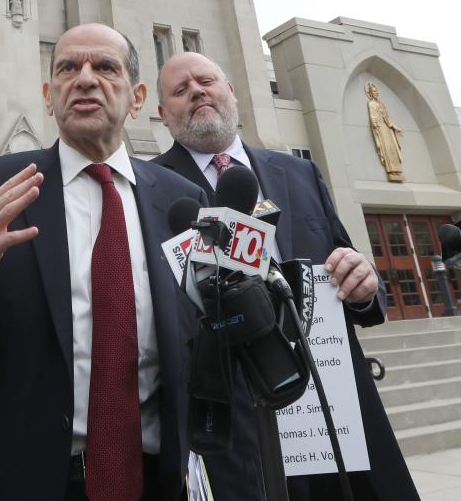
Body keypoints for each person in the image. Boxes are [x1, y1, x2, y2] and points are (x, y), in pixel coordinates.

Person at [0, 23, 212, 501]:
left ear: (138, 97)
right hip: (20, 483)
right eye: (68, 67)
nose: (84, 79)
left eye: (105, 67)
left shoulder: (181, 203)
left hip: (155, 480)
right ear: (49, 95)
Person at [152, 51, 420, 501]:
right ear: (162, 114)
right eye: (180, 90)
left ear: (231, 92)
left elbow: (354, 273)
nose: (197, 91)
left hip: (328, 399)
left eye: (206, 81)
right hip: (231, 422)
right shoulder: (150, 190)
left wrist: (363, 286)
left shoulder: (299, 172)